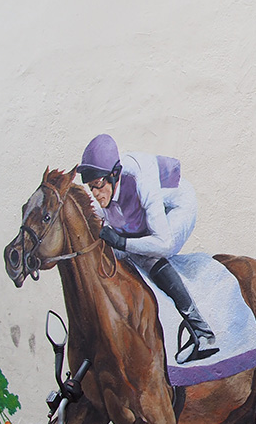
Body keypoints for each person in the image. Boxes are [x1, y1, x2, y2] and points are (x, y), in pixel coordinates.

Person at [77, 133, 219, 364]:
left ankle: (202, 332)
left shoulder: (140, 177)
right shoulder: (102, 188)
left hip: (175, 206)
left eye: (98, 186)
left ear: (114, 175)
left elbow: (163, 244)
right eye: (90, 187)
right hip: (141, 211)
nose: (94, 193)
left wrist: (122, 242)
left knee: (145, 254)